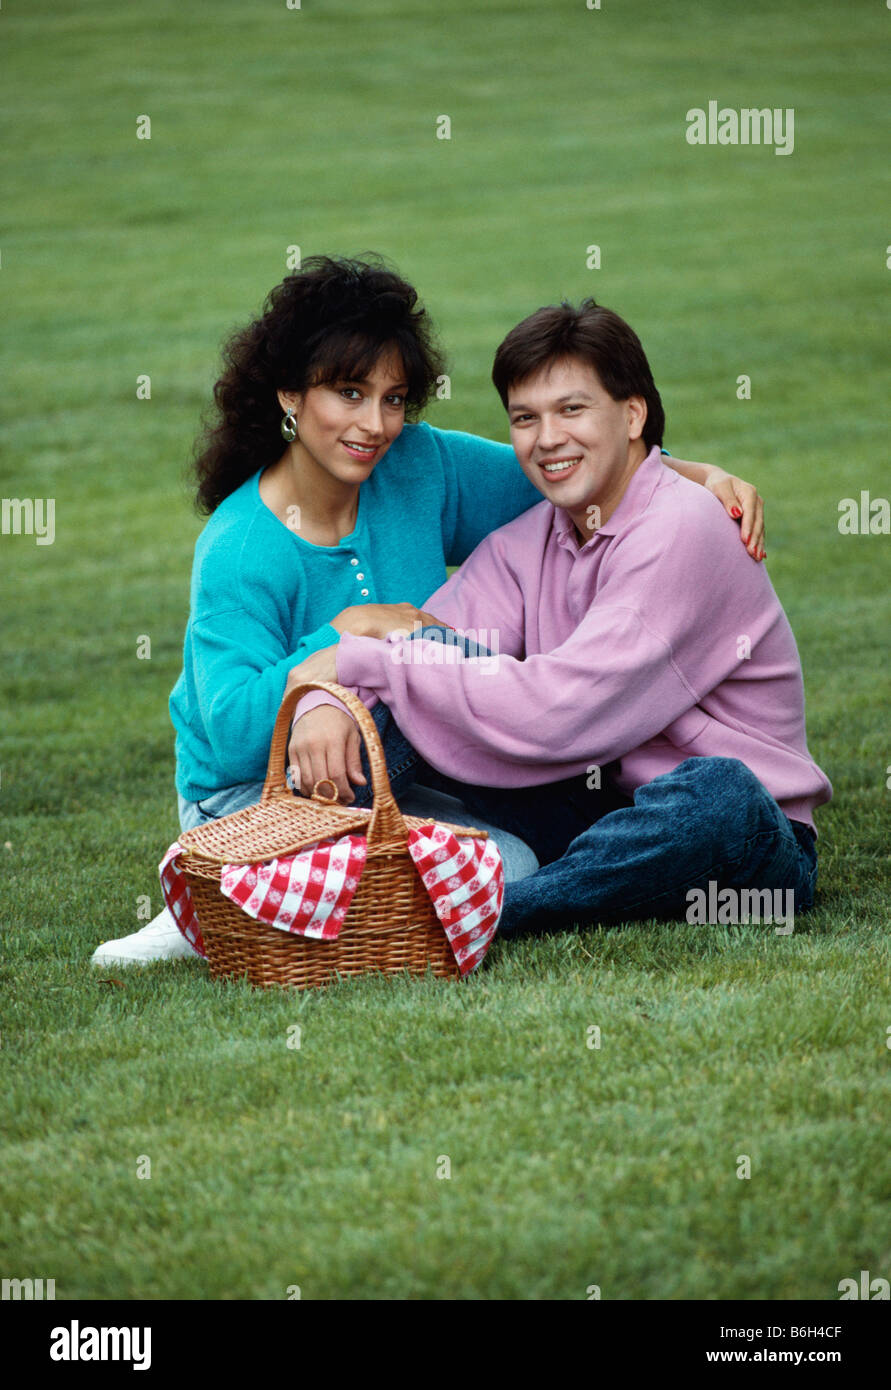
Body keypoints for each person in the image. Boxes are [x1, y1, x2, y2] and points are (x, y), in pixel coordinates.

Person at [92, 261, 767, 966]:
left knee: (510, 857)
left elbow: (561, 469)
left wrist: (692, 475)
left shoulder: (415, 466)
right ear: (289, 393)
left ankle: (283, 899)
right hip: (253, 795)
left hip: (390, 764)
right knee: (426, 656)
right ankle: (226, 880)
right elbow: (229, 733)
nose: (374, 425)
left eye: (392, 399)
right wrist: (340, 643)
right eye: (348, 394)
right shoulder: (239, 546)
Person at [284, 297, 830, 939]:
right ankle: (283, 861)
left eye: (571, 409)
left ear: (633, 415)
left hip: (746, 836)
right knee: (422, 660)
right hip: (596, 801)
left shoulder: (684, 526)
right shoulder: (530, 538)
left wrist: (353, 657)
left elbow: (563, 708)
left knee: (718, 796)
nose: (547, 439)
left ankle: (481, 917)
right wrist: (330, 700)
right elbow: (432, 643)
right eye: (525, 418)